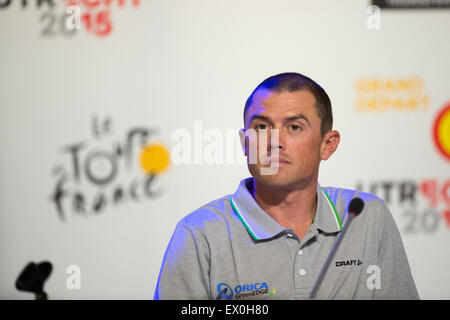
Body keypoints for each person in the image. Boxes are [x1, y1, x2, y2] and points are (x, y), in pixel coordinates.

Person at [154, 72, 419, 300]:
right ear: (245, 143)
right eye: (261, 127)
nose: (274, 141)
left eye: (294, 127)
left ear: (328, 145)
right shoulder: (199, 234)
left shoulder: (365, 216)